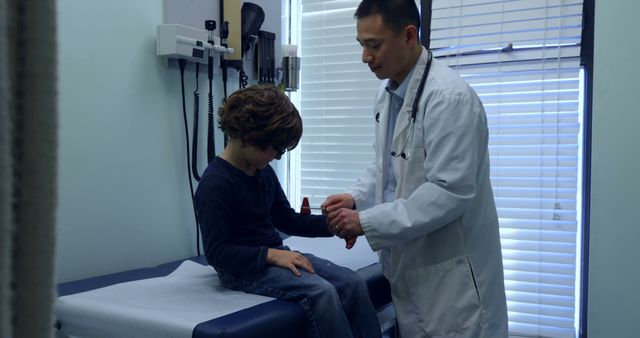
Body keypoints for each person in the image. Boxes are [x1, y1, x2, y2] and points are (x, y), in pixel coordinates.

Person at [321, 0, 509, 337]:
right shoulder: (388, 91)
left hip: (453, 283)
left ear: (409, 35)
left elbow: (449, 191)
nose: (365, 56)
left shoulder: (450, 99)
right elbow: (388, 166)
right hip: (413, 272)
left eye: (374, 45)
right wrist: (355, 198)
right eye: (362, 45)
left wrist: (365, 222)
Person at [194, 83, 381, 338]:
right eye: (276, 149)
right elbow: (217, 254)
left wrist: (335, 225)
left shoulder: (262, 172)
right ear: (250, 138)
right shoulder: (215, 183)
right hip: (240, 270)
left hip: (275, 256)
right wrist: (270, 255)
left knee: (353, 283)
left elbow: (287, 219)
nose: (278, 157)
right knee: (321, 292)